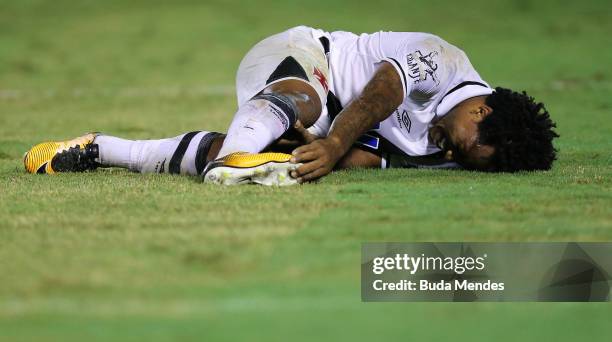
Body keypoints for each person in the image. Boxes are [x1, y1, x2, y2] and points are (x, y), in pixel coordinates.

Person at [23, 26, 559, 185]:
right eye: (460, 145)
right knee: (301, 105)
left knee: (282, 154)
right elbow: (379, 97)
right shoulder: (441, 59)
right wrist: (331, 141)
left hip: (324, 122)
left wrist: (312, 158)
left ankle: (100, 150)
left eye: (461, 161)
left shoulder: (450, 150)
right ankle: (236, 162)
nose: (449, 152)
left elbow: (368, 156)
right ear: (481, 111)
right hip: (300, 59)